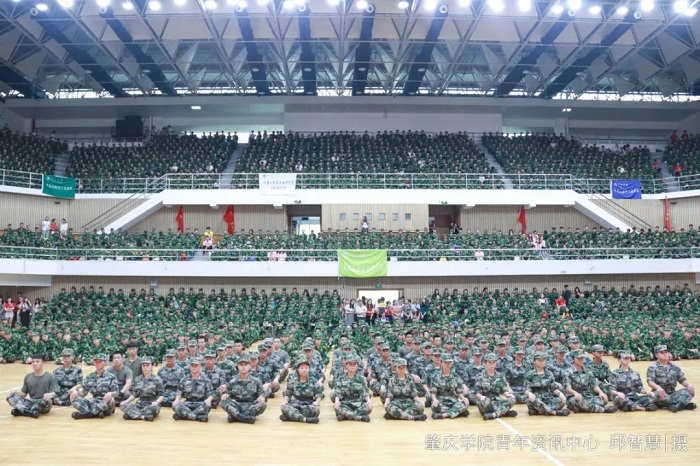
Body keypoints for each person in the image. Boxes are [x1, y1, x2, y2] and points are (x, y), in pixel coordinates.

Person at [646, 345, 696, 412]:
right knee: (660, 396)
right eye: (662, 353)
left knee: (689, 391)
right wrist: (658, 388)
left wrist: (689, 385)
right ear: (656, 355)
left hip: (672, 394)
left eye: (666, 352)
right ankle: (681, 405)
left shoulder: (675, 367)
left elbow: (682, 380)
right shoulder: (653, 367)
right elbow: (650, 381)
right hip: (660, 394)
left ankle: (674, 406)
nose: (665, 354)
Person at [6, 354, 59, 418]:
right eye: (33, 362)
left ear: (43, 363)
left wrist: (51, 394)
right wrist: (14, 392)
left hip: (43, 401)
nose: (35, 364)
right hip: (32, 401)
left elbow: (55, 392)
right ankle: (31, 412)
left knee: (47, 401)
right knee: (11, 397)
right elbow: (23, 393)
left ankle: (23, 410)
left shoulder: (50, 376)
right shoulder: (28, 377)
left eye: (37, 362)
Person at [565, 349, 617, 413]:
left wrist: (601, 392)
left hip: (587, 396)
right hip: (573, 397)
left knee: (604, 399)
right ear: (573, 359)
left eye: (582, 358)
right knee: (579, 401)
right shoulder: (568, 371)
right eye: (578, 358)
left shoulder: (587, 371)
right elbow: (567, 387)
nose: (581, 360)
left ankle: (583, 408)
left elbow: (593, 385)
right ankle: (603, 410)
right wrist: (575, 393)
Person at [220, 353, 267, 424]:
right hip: (237, 405)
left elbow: (261, 393)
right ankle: (244, 418)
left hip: (251, 405)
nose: (243, 367)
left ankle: (235, 416)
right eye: (241, 365)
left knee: (263, 404)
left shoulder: (256, 381)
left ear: (249, 366)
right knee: (223, 401)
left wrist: (261, 397)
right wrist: (226, 394)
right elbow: (229, 392)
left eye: (245, 365)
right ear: (238, 367)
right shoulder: (233, 380)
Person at [69, 354, 119, 419]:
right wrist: (76, 393)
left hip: (106, 402)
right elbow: (84, 393)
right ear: (94, 363)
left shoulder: (111, 376)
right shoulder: (90, 377)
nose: (98, 363)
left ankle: (87, 413)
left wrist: (110, 393)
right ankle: (96, 413)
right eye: (96, 361)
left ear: (104, 363)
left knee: (111, 399)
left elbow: (116, 393)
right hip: (94, 401)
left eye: (100, 361)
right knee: (75, 398)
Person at [472, 353, 517, 420]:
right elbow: (477, 393)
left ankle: (494, 414)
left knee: (512, 399)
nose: (492, 365)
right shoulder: (480, 376)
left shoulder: (500, 376)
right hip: (485, 401)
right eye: (490, 362)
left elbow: (504, 390)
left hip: (497, 401)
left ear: (496, 363)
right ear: (485, 363)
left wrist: (508, 395)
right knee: (486, 402)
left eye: (494, 362)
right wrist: (481, 397)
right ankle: (504, 412)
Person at [523, 352, 569, 416]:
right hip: (536, 399)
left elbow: (553, 388)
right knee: (531, 400)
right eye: (539, 360)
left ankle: (540, 411)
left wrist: (560, 394)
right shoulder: (530, 374)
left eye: (543, 360)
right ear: (534, 361)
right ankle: (554, 412)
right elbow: (525, 390)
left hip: (547, 398)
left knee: (561, 399)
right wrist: (529, 394)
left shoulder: (549, 374)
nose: (541, 362)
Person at [280, 358, 323, 423]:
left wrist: (316, 402)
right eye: (302, 368)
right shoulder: (293, 381)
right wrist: (285, 401)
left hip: (308, 405)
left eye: (306, 368)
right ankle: (305, 419)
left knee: (316, 409)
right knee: (284, 407)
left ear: (309, 369)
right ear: (298, 370)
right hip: (295, 404)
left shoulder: (314, 381)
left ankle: (291, 416)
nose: (304, 370)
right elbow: (288, 392)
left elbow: (319, 394)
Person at [331, 354, 372, 422]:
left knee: (369, 407)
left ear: (357, 366)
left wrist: (368, 401)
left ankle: (346, 416)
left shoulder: (362, 379)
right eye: (350, 364)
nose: (352, 366)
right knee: (337, 407)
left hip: (358, 404)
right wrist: (337, 401)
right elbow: (338, 393)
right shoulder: (340, 379)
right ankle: (359, 417)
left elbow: (365, 392)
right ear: (346, 365)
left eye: (354, 364)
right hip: (345, 404)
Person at [429, 355, 470, 419]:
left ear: (451, 364)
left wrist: (463, 398)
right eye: (445, 363)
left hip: (453, 401)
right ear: (441, 363)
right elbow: (433, 393)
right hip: (441, 401)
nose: (447, 365)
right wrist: (435, 400)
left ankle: (443, 415)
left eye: (449, 363)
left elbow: (459, 392)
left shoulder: (456, 376)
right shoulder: (435, 377)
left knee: (465, 403)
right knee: (434, 407)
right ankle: (457, 412)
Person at [172, 357, 213, 422]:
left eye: (196, 365)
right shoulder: (184, 379)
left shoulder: (206, 379)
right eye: (192, 365)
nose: (194, 367)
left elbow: (210, 394)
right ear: (190, 367)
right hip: (187, 403)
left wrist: (208, 400)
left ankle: (183, 416)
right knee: (175, 406)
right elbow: (179, 392)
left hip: (200, 404)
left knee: (207, 406)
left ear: (200, 367)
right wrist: (177, 399)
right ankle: (198, 417)